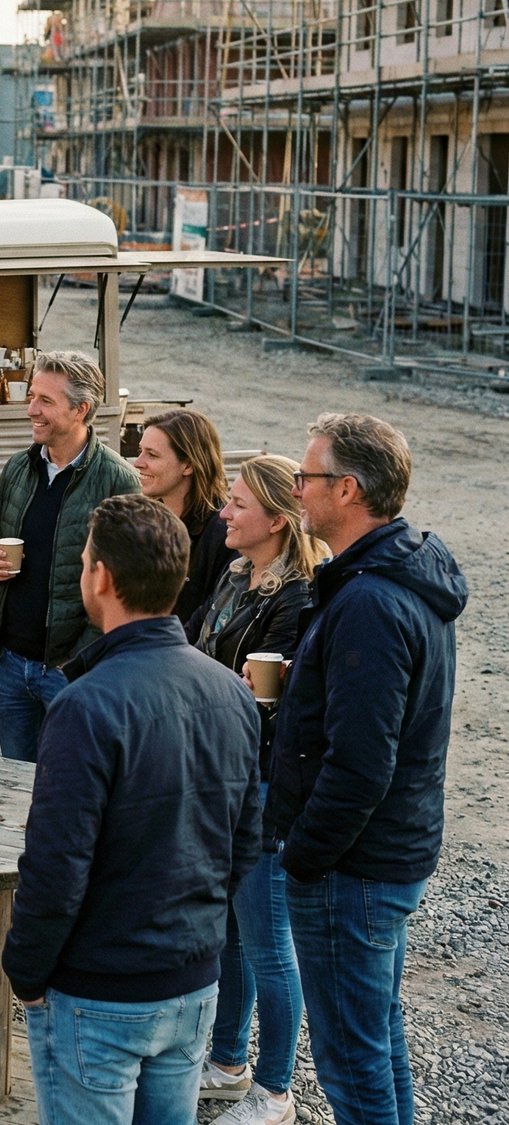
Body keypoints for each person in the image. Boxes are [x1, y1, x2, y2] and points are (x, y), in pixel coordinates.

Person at [4, 495, 261, 1125]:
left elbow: (56, 866)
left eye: (86, 560)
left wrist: (26, 970)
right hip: (193, 980)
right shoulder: (231, 691)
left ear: (103, 578)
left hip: (101, 989)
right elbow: (244, 841)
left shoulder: (86, 706)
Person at [266, 414, 465, 1125]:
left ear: (346, 489)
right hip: (380, 856)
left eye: (306, 476)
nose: (296, 489)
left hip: (353, 867)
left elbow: (361, 763)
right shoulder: (384, 576)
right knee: (376, 1042)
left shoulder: (371, 601)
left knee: (352, 1063)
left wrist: (303, 857)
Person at [192, 455, 330, 1125]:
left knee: (269, 943)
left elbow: (277, 701)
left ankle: (275, 1091)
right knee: (229, 934)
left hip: (267, 787)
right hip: (227, 777)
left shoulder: (298, 596)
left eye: (238, 503)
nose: (224, 511)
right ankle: (226, 1061)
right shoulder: (237, 571)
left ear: (276, 520)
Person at [0, 350, 139, 761]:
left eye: (45, 401)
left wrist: (79, 660)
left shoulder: (118, 481)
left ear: (81, 409)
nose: (31, 409)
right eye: (32, 396)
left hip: (71, 671)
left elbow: (126, 585)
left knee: (71, 784)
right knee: (15, 786)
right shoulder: (19, 468)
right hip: (11, 665)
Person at [134, 408, 231, 624]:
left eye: (152, 455)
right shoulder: (146, 524)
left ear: (187, 465)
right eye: (140, 451)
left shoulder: (224, 533)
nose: (138, 463)